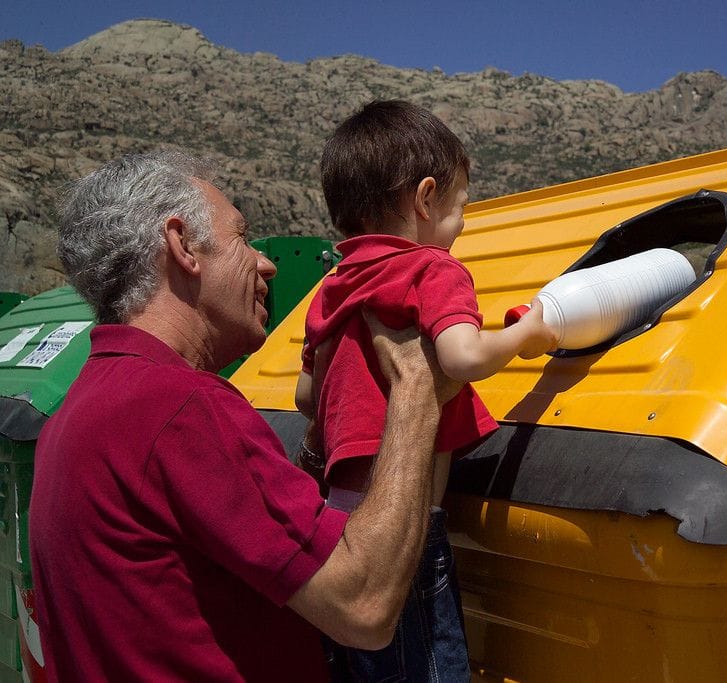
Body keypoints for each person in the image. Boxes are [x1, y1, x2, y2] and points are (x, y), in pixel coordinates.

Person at [27, 150, 459, 682]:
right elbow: (363, 605)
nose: (266, 263)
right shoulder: (180, 407)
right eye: (243, 238)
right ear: (182, 245)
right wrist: (415, 391)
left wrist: (320, 442)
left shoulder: (80, 409)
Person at [296, 100, 556, 680]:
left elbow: (307, 399)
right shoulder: (432, 271)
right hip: (404, 537)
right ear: (426, 197)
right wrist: (525, 335)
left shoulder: (331, 288)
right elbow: (461, 356)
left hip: (339, 529)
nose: (462, 227)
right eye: (462, 208)